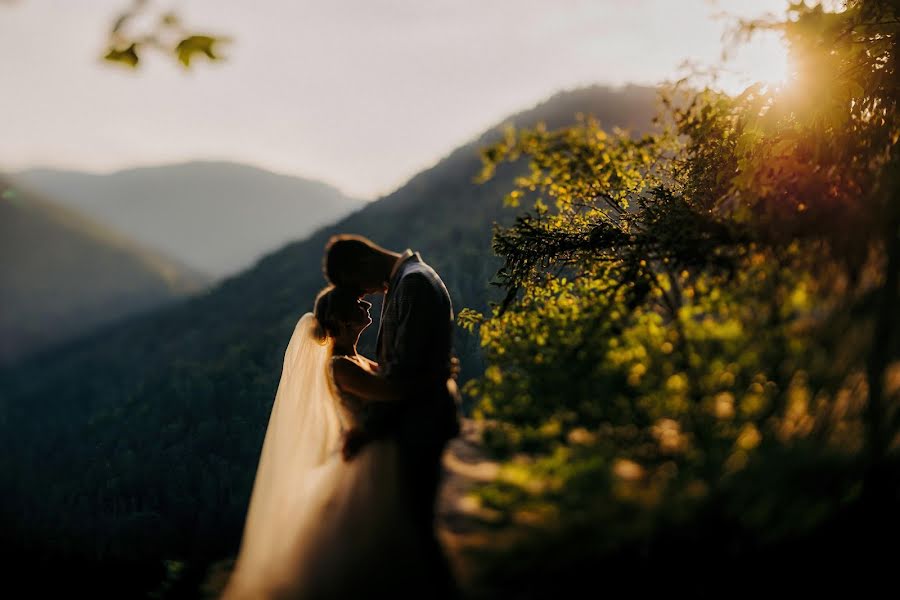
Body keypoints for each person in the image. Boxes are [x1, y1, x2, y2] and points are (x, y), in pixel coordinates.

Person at [222, 286, 425, 599]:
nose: (367, 304)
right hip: (369, 460)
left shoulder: (356, 358)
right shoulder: (340, 365)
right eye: (358, 304)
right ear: (344, 321)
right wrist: (433, 372)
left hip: (378, 448)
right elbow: (395, 394)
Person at [323, 234, 461, 598]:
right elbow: (412, 367)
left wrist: (368, 430)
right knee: (413, 531)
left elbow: (400, 377)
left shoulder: (413, 282)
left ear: (363, 262)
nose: (365, 295)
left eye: (358, 286)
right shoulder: (410, 280)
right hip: (418, 422)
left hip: (422, 425)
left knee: (418, 533)